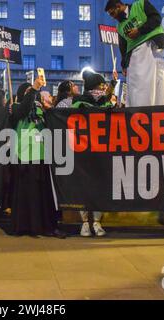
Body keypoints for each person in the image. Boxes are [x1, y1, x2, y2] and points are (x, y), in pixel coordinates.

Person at [9, 77, 66, 239]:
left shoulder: (41, 110)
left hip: (42, 156)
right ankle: (25, 227)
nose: (32, 96)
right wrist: (33, 89)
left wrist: (50, 110)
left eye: (33, 93)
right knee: (28, 194)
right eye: (28, 93)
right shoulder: (16, 108)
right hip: (25, 157)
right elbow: (24, 108)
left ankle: (47, 227)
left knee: (44, 196)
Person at [105, 0, 164, 107]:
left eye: (113, 13)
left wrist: (139, 31)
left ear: (118, 6)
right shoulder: (119, 27)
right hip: (136, 56)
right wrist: (124, 65)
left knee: (158, 83)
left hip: (153, 48)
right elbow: (123, 46)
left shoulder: (141, 4)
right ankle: (140, 110)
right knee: (139, 86)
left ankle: (159, 109)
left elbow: (156, 19)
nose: (113, 17)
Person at [70, 70, 112, 237]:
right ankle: (85, 223)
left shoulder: (105, 104)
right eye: (100, 86)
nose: (102, 89)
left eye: (103, 86)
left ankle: (96, 221)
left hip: (100, 153)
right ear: (91, 88)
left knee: (100, 188)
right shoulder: (78, 102)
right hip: (82, 154)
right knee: (83, 189)